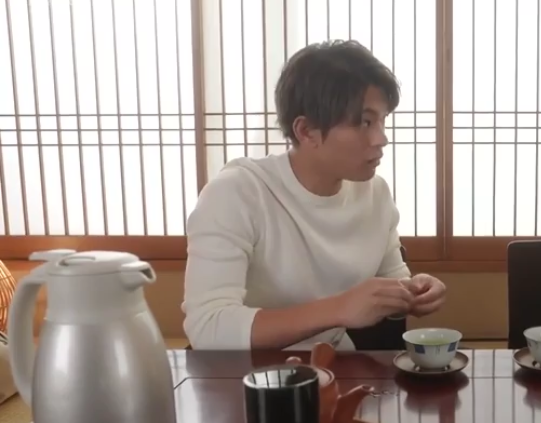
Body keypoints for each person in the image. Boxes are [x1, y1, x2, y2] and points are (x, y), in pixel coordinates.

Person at [182, 40, 447, 351]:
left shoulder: (375, 193)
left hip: (334, 365)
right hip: (252, 373)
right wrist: (338, 308)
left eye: (382, 120)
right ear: (306, 131)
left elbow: (391, 278)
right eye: (365, 122)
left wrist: (413, 292)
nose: (381, 138)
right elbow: (208, 326)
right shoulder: (237, 193)